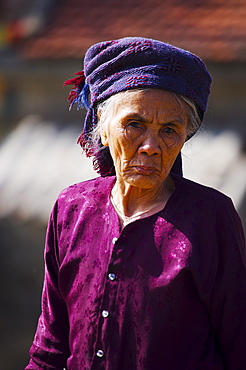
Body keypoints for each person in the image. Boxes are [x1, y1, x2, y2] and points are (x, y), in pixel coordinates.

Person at [25, 37, 246, 370]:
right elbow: (50, 348)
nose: (150, 146)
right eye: (134, 125)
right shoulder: (72, 208)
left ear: (185, 136)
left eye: (170, 129)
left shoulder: (210, 217)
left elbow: (239, 346)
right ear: (103, 128)